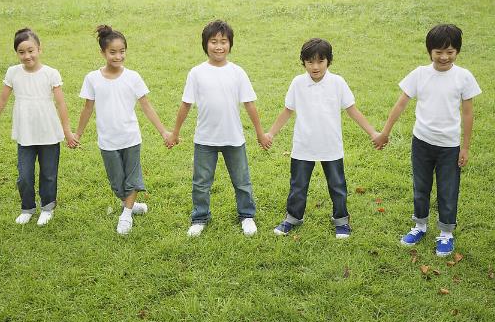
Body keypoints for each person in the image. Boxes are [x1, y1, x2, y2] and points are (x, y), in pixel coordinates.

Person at [373, 24, 481, 257]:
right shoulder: (419, 74)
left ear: (457, 52)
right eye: (438, 52)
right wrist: (385, 132)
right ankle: (420, 225)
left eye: (450, 52)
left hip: (449, 146)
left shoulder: (463, 77)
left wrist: (466, 147)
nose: (444, 57)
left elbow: (468, 113)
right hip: (422, 142)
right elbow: (401, 103)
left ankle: (446, 233)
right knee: (421, 187)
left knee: (448, 189)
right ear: (429, 50)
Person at [266, 38, 379, 239]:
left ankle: (341, 220)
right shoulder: (297, 83)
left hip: (331, 146)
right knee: (298, 185)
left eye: (320, 61)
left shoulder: (338, 82)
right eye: (310, 62)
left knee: (337, 185)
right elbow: (287, 111)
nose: (315, 67)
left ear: (329, 61)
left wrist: (373, 133)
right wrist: (270, 134)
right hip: (303, 145)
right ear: (303, 62)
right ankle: (293, 217)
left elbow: (352, 111)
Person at [166, 20, 270, 237]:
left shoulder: (237, 72)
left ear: (230, 44)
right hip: (205, 139)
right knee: (201, 183)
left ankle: (247, 215)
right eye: (213, 41)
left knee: (242, 181)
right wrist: (175, 133)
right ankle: (200, 217)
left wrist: (260, 133)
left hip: (234, 138)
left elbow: (249, 104)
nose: (219, 46)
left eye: (223, 41)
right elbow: (186, 104)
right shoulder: (196, 73)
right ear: (205, 44)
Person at [75, 25, 171, 235]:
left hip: (131, 138)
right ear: (103, 53)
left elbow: (146, 105)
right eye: (113, 52)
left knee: (133, 178)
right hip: (107, 141)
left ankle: (126, 215)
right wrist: (77, 134)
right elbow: (87, 108)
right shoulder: (92, 78)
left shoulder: (133, 77)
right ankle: (131, 204)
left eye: (122, 51)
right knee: (117, 183)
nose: (118, 56)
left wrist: (164, 132)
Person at [0, 28, 78, 226]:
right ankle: (27, 207)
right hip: (25, 132)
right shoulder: (13, 72)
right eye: (21, 52)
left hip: (49, 132)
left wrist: (67, 131)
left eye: (30, 50)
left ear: (39, 49)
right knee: (24, 175)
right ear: (16, 53)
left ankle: (47, 207)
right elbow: (2, 99)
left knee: (49, 174)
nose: (27, 56)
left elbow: (61, 104)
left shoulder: (50, 73)